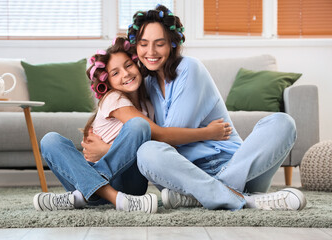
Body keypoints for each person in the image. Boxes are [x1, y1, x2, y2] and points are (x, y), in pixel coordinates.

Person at [85, 5, 307, 211]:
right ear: (136, 46)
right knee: (147, 153)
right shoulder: (145, 84)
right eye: (143, 44)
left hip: (236, 165)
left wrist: (109, 152)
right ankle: (245, 198)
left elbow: (167, 134)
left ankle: (208, 195)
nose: (150, 51)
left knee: (282, 123)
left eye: (159, 43)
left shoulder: (190, 69)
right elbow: (144, 135)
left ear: (172, 43)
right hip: (184, 173)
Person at [33, 37, 234, 213]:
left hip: (126, 183)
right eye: (115, 73)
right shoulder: (114, 98)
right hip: (107, 187)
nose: (125, 74)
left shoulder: (149, 103)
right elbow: (161, 134)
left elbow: (161, 142)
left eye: (128, 65)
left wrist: (106, 150)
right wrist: (206, 133)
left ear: (137, 65)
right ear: (109, 83)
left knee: (139, 127)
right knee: (50, 140)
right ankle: (114, 199)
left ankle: (80, 196)